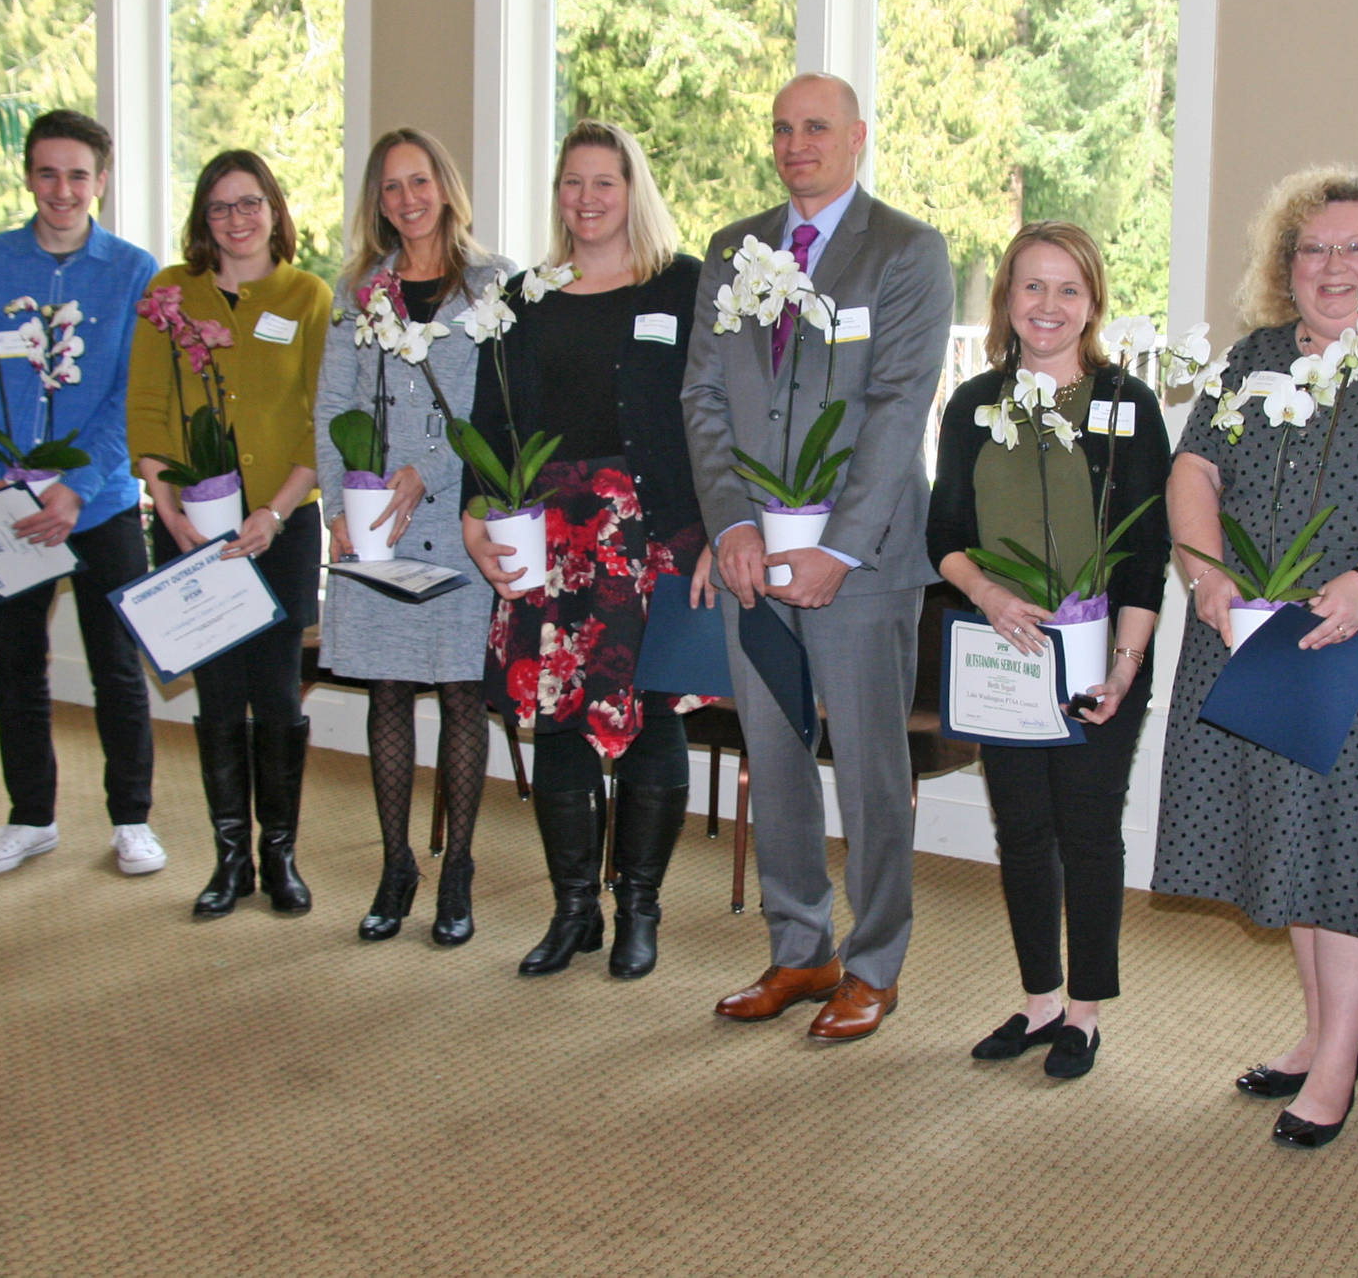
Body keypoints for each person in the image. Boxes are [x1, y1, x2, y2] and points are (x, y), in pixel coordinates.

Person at [1154, 168, 1358, 1145]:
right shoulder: (1255, 355)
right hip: (1260, 639)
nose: (1331, 269)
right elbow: (1194, 467)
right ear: (1284, 266)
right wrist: (1204, 571)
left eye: (1353, 249)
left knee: (1353, 855)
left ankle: (1335, 1059)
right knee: (1290, 839)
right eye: (1311, 250)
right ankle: (1318, 1032)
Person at [682, 72, 954, 1042]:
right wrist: (732, 526)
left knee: (872, 769)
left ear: (857, 138)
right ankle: (800, 949)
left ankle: (875, 962)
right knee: (775, 755)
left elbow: (896, 408)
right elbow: (702, 400)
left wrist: (839, 546)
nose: (796, 144)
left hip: (863, 564)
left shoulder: (908, 252)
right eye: (782, 128)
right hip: (754, 563)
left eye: (816, 128)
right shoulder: (732, 251)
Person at [462, 119, 712, 980]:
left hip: (654, 535)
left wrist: (721, 527)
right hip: (550, 538)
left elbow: (713, 414)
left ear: (633, 189)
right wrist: (475, 512)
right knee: (555, 717)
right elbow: (490, 417)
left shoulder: (685, 286)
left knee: (649, 720)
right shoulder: (525, 297)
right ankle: (575, 910)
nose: (587, 199)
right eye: (573, 182)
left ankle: (640, 905)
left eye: (605, 182)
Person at [925, 222, 1170, 1078]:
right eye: (1033, 287)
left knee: (1089, 828)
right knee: (1022, 830)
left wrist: (1124, 665)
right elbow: (944, 535)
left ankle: (1086, 1012)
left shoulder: (1126, 405)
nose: (1050, 306)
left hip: (1105, 653)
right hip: (1006, 651)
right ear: (1006, 299)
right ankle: (1037, 1001)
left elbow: (1149, 555)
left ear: (1094, 302)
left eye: (1069, 289)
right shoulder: (973, 404)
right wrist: (989, 595)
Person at [0, 109, 164, 878]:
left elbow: (131, 396)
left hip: (97, 504)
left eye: (78, 175)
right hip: (5, 502)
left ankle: (131, 818)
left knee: (116, 666)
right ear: (28, 176)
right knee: (16, 665)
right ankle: (30, 816)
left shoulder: (135, 270)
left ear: (101, 180)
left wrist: (75, 486)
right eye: (47, 173)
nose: (62, 190)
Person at [126, 150, 332, 918]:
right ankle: (229, 861)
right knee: (216, 696)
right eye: (220, 207)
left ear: (275, 210)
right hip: (191, 529)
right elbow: (146, 405)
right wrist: (166, 503)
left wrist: (275, 509)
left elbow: (322, 419)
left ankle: (279, 856)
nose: (238, 220)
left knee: (276, 694)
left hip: (282, 525)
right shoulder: (169, 294)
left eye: (251, 204)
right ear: (202, 220)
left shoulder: (307, 296)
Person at [316, 128, 507, 945]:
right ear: (378, 202)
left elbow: (496, 404)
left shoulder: (494, 284)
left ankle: (457, 868)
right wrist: (335, 505)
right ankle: (398, 864)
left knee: (462, 694)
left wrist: (429, 468)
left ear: (446, 186)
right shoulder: (359, 288)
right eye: (390, 187)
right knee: (388, 691)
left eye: (418, 181)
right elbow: (333, 406)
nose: (406, 200)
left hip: (459, 517)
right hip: (375, 523)